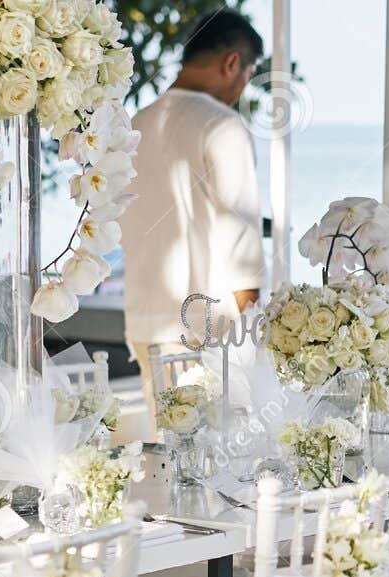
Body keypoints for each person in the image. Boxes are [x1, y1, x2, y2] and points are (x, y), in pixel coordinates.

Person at [123, 9, 264, 395]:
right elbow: (242, 242)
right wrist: (256, 332)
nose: (242, 89)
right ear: (233, 63)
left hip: (143, 322)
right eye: (248, 77)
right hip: (206, 332)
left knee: (165, 451)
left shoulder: (136, 125)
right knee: (218, 452)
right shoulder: (222, 125)